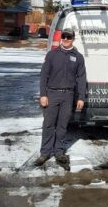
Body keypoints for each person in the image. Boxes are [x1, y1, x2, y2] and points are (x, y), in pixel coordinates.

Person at [37, 28, 87, 171]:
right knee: (48, 125)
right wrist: (43, 95)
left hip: (68, 96)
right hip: (52, 94)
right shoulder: (52, 55)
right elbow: (44, 76)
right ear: (61, 38)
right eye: (63, 36)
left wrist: (81, 97)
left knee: (62, 126)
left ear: (73, 39)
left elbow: (81, 78)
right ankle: (45, 153)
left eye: (69, 37)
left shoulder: (78, 57)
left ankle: (59, 152)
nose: (65, 39)